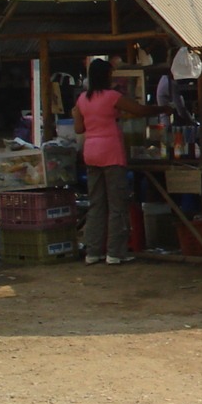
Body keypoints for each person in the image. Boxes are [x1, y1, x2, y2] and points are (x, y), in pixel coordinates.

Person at [72, 58, 164, 266]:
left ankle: (93, 251)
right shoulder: (112, 96)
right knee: (117, 204)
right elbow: (139, 110)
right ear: (106, 76)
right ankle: (115, 252)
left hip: (91, 153)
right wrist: (162, 109)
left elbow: (79, 129)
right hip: (111, 153)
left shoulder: (82, 99)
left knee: (96, 204)